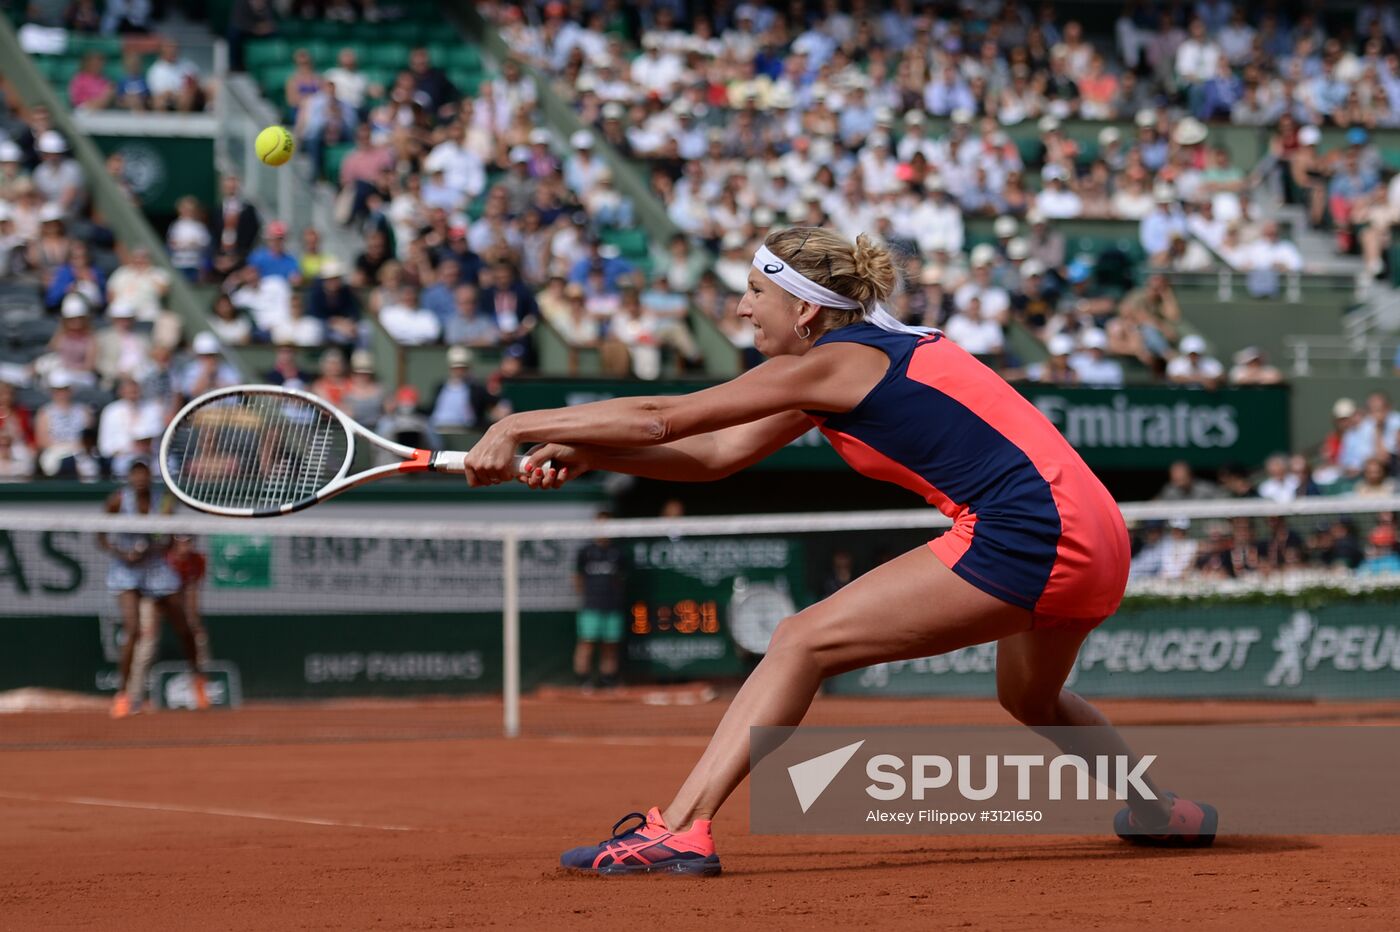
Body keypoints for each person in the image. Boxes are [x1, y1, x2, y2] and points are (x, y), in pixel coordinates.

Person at [464, 226, 1214, 872]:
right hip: (1097, 530)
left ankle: (680, 829)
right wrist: (597, 456)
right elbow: (718, 453)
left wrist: (517, 426)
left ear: (805, 308)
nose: (741, 306)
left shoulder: (838, 363)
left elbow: (664, 418)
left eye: (756, 291)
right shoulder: (853, 361)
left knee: (799, 640)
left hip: (1033, 532)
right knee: (1028, 697)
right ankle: (1157, 808)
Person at [96, 460, 207, 718]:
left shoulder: (165, 502)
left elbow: (167, 537)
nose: (140, 480)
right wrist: (123, 553)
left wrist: (155, 545)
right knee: (133, 630)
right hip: (126, 569)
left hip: (157, 567)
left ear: (149, 478)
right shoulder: (117, 501)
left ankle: (198, 680)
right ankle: (123, 695)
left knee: (185, 627)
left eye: (144, 475)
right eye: (135, 475)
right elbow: (100, 534)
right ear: (129, 479)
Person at [573, 512, 629, 690]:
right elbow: (577, 578)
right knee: (586, 643)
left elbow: (622, 579)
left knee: (610, 645)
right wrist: (586, 596)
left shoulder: (618, 553)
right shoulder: (585, 552)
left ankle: (608, 680)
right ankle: (584, 681)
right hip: (591, 606)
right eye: (600, 525)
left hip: (612, 606)